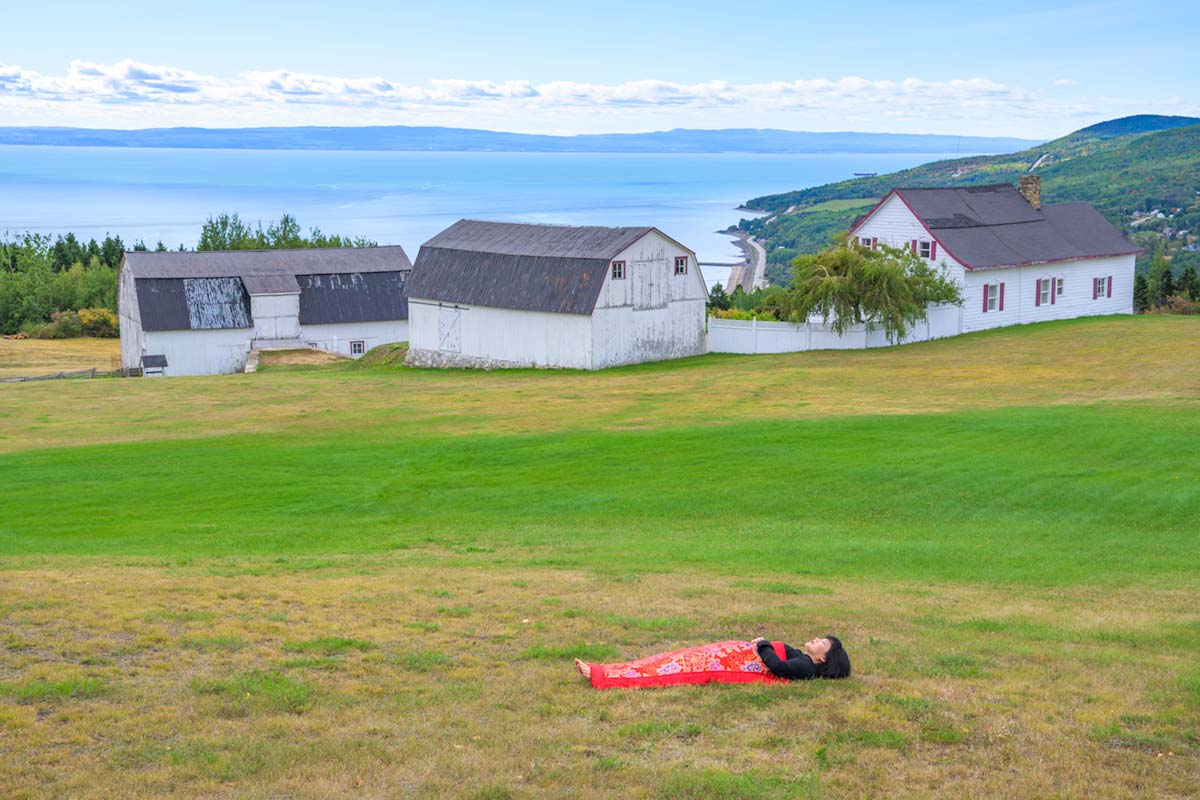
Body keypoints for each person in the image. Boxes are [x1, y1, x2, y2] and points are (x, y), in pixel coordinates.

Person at [574, 635, 850, 689]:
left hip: (729, 663)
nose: (815, 638)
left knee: (673, 667)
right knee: (670, 659)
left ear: (822, 658)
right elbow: (785, 651)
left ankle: (605, 676)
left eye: (821, 642)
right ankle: (610, 670)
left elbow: (775, 666)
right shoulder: (801, 659)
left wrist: (763, 644)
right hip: (731, 655)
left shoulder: (804, 668)